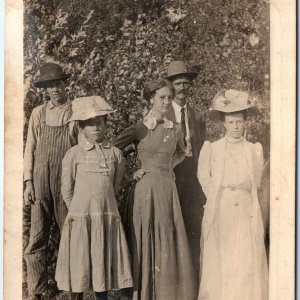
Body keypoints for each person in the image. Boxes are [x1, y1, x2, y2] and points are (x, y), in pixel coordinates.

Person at [114, 78, 197, 300]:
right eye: (161, 97)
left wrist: (168, 166)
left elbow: (181, 153)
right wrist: (131, 174)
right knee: (145, 238)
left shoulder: (176, 129)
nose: (166, 102)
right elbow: (112, 151)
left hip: (167, 190)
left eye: (169, 98)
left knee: (167, 237)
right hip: (145, 190)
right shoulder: (140, 128)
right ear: (151, 99)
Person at [55, 96, 133, 300]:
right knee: (79, 261)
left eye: (99, 123)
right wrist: (77, 212)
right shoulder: (74, 154)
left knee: (102, 260)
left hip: (105, 215)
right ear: (82, 128)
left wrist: (102, 205)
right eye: (90, 124)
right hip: (80, 218)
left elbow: (116, 184)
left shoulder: (115, 153)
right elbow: (67, 189)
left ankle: (102, 296)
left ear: (106, 125)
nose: (96, 128)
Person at [197, 89, 268, 300]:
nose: (235, 127)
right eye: (231, 122)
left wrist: (242, 193)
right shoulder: (213, 148)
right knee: (224, 252)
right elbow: (204, 177)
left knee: (245, 253)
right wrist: (217, 197)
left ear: (245, 122)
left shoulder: (253, 149)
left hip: (245, 207)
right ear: (224, 123)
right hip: (223, 205)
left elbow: (255, 179)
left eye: (239, 122)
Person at [23, 62, 77, 300]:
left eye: (59, 84)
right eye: (51, 86)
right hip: (40, 184)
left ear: (66, 85)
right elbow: (30, 150)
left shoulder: (75, 111)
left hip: (65, 185)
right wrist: (28, 183)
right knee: (37, 239)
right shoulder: (38, 113)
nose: (56, 89)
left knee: (70, 234)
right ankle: (37, 289)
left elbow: (78, 149)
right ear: (45, 89)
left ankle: (72, 286)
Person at [166, 60, 206, 279]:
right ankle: (173, 280)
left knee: (194, 229)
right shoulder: (162, 114)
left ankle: (194, 281)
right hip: (171, 180)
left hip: (193, 181)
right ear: (171, 87)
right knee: (172, 229)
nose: (182, 88)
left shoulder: (196, 116)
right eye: (178, 83)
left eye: (186, 83)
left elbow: (204, 151)